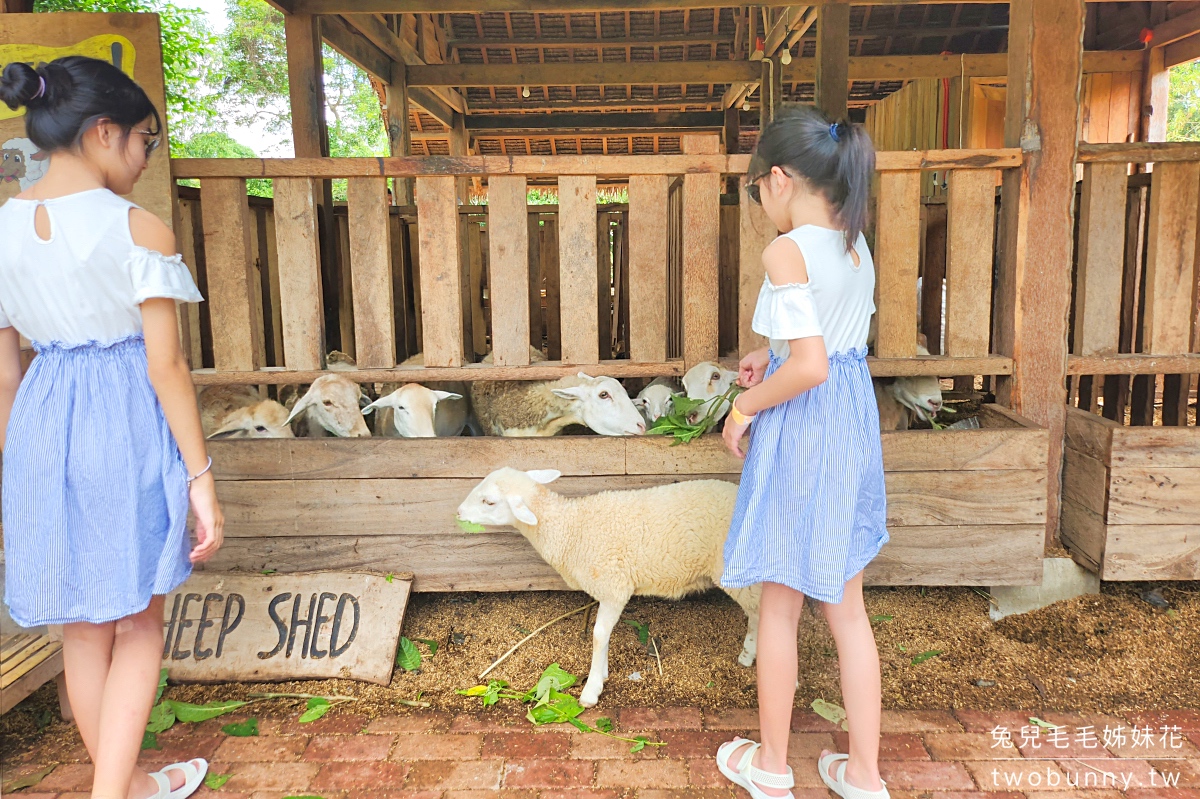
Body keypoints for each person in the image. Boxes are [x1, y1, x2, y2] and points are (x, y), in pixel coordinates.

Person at [0, 56, 222, 799]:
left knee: (83, 630)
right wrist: (201, 477)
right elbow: (167, 368)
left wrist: (21, 470)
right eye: (145, 140)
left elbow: (4, 374)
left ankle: (126, 787)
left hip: (40, 423)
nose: (143, 155)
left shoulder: (0, 227)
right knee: (138, 622)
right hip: (122, 418)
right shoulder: (138, 228)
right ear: (103, 132)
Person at [714, 103, 890, 799]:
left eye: (757, 189)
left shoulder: (786, 249)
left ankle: (772, 768)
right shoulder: (853, 242)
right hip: (848, 429)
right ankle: (866, 776)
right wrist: (771, 353)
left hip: (803, 427)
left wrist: (746, 404)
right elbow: (827, 344)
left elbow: (809, 367)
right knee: (847, 609)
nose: (761, 204)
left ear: (778, 179)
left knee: (780, 605)